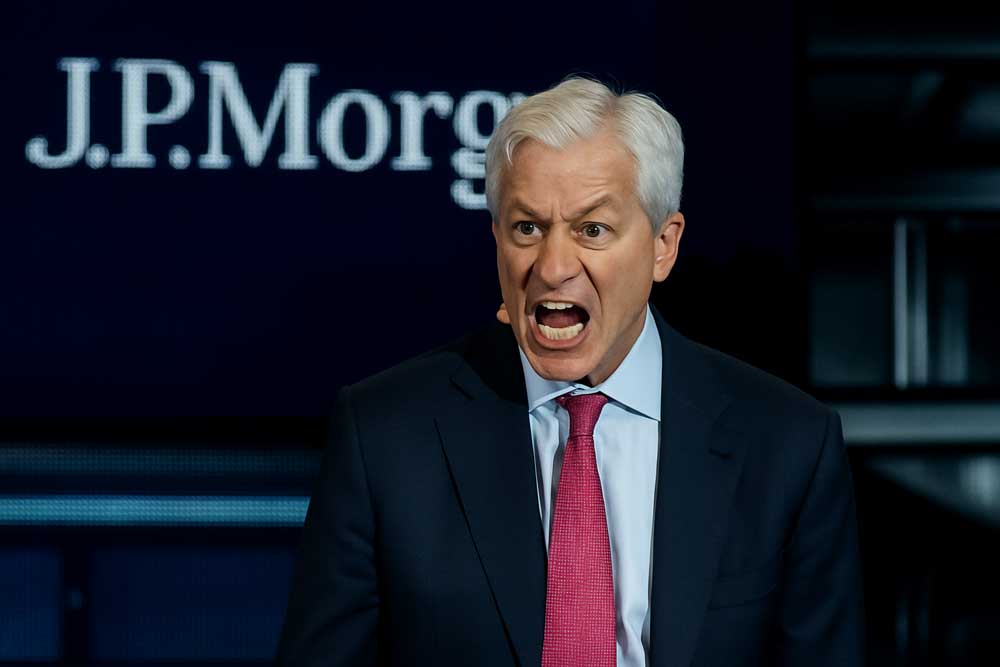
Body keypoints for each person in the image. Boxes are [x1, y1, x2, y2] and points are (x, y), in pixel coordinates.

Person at [276, 77, 864, 667]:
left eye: (592, 230)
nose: (553, 267)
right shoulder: (384, 435)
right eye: (527, 228)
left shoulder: (787, 445)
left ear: (663, 246)